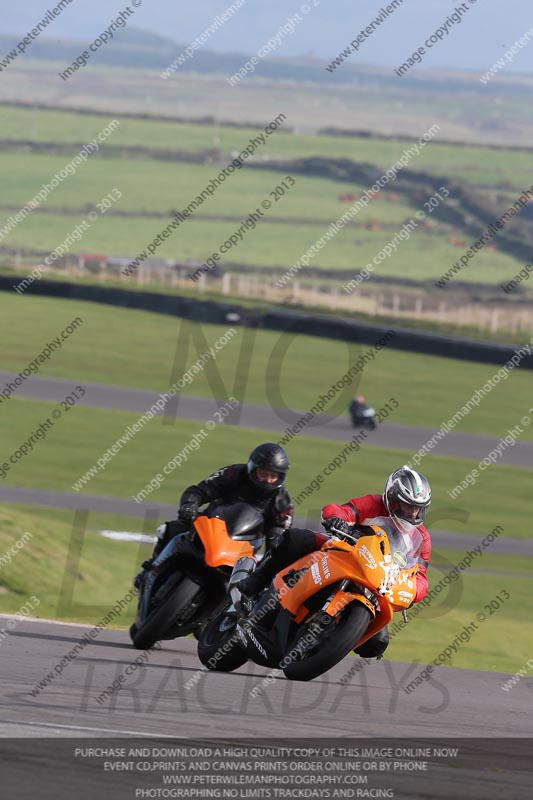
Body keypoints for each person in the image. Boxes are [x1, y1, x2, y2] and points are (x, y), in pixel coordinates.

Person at [236, 465, 432, 660]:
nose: (413, 513)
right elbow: (340, 510)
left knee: (377, 643)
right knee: (294, 539)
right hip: (344, 552)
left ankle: (321, 646)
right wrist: (336, 519)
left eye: (418, 508)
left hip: (377, 582)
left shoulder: (421, 538)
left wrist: (415, 591)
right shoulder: (373, 504)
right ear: (392, 499)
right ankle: (255, 583)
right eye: (408, 506)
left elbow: (420, 575)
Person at [134, 443, 293, 587]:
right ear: (253, 468)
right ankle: (150, 570)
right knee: (170, 530)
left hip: (243, 548)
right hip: (211, 527)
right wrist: (189, 505)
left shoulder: (283, 501)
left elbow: (279, 533)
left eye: (273, 476)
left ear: (281, 477)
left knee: (251, 588)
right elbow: (199, 491)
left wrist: (273, 553)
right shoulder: (233, 473)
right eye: (263, 474)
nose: (268, 480)